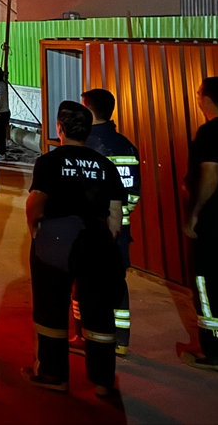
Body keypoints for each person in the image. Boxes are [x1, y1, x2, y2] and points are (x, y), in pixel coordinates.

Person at [23, 101, 127, 400]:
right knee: (98, 312)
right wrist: (109, 238)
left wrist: (35, 230)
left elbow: (35, 201)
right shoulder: (104, 165)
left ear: (60, 128)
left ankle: (53, 374)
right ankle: (103, 382)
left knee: (51, 308)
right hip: (96, 242)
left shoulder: (50, 161)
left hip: (56, 241)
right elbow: (116, 209)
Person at [68, 88, 139, 358]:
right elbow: (132, 193)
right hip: (120, 231)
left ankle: (84, 336)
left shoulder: (85, 145)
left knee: (84, 283)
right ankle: (120, 340)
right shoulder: (126, 145)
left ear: (87, 110)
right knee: (116, 283)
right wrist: (120, 220)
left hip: (89, 230)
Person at [182, 75, 218, 372]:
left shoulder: (210, 132)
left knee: (211, 284)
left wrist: (195, 212)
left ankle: (217, 351)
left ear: (206, 99)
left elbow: (210, 175)